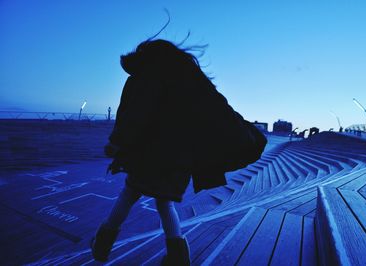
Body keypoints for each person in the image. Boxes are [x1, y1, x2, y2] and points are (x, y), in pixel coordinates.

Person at [90, 39, 267, 265]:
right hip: (180, 160)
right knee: (165, 203)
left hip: (150, 155)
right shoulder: (190, 81)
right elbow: (218, 112)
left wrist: (117, 143)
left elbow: (134, 115)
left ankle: (102, 244)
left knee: (128, 195)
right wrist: (249, 134)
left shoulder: (146, 76)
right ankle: (178, 257)